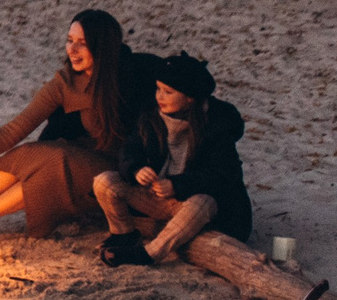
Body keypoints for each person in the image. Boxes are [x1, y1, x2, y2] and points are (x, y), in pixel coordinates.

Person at [0, 10, 147, 240]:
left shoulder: (131, 77)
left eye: (82, 43)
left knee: (55, 160)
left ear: (102, 47)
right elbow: (14, 130)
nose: (72, 50)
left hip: (120, 169)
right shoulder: (65, 82)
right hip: (85, 154)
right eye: (70, 41)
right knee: (28, 153)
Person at [94, 52, 252, 265]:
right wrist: (136, 169)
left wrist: (177, 185)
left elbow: (222, 176)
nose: (160, 96)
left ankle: (149, 254)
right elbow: (130, 149)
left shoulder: (216, 125)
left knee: (202, 202)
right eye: (158, 88)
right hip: (157, 197)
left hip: (194, 206)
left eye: (168, 92)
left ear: (190, 98)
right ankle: (124, 235)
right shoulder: (151, 115)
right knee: (104, 182)